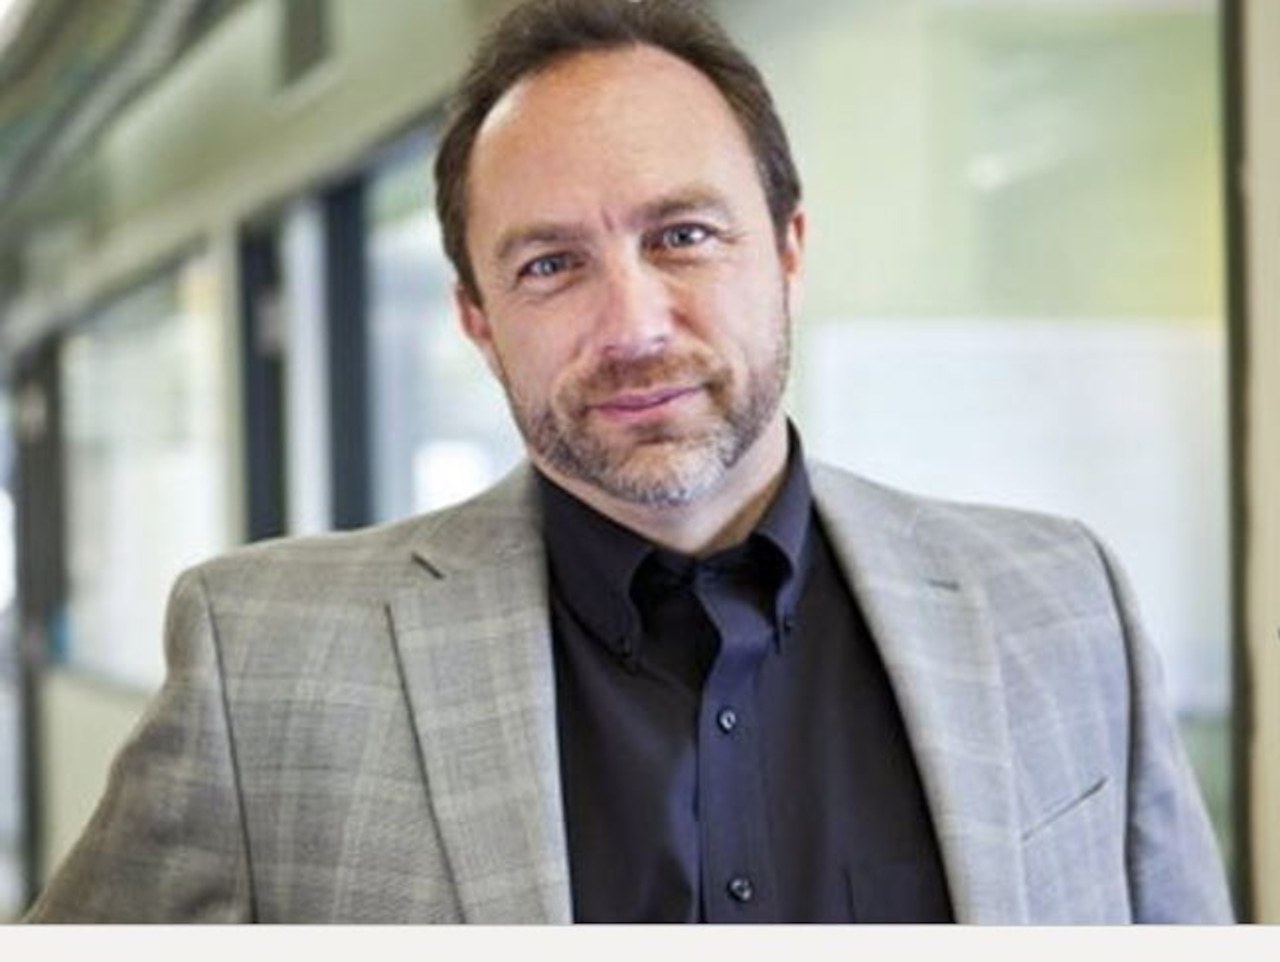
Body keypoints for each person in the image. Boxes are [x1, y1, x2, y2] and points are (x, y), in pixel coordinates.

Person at [27, 0, 1233, 924]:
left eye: (683, 235)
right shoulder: (263, 665)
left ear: (787, 250)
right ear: (477, 318)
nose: (633, 325)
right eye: (550, 264)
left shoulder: (1057, 605)